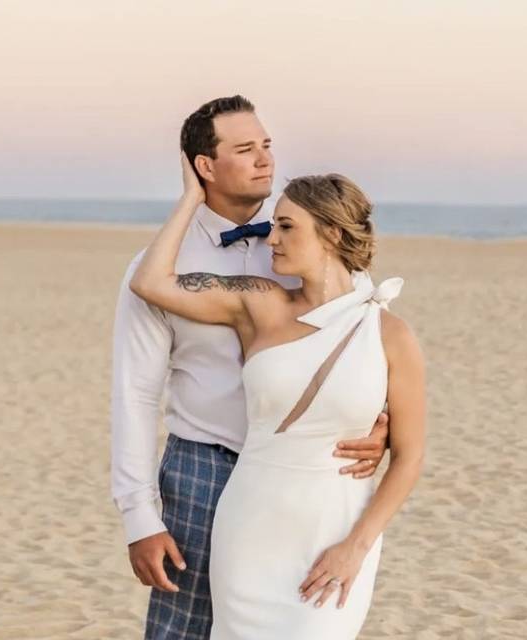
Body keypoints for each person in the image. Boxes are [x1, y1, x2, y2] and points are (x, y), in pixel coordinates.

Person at [110, 96, 391, 639]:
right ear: (204, 167)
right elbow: (136, 395)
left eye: (267, 145)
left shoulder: (303, 242)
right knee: (186, 628)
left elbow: (362, 336)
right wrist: (138, 516)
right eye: (245, 149)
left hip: (306, 475)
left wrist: (378, 428)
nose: (265, 159)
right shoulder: (159, 268)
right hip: (204, 468)